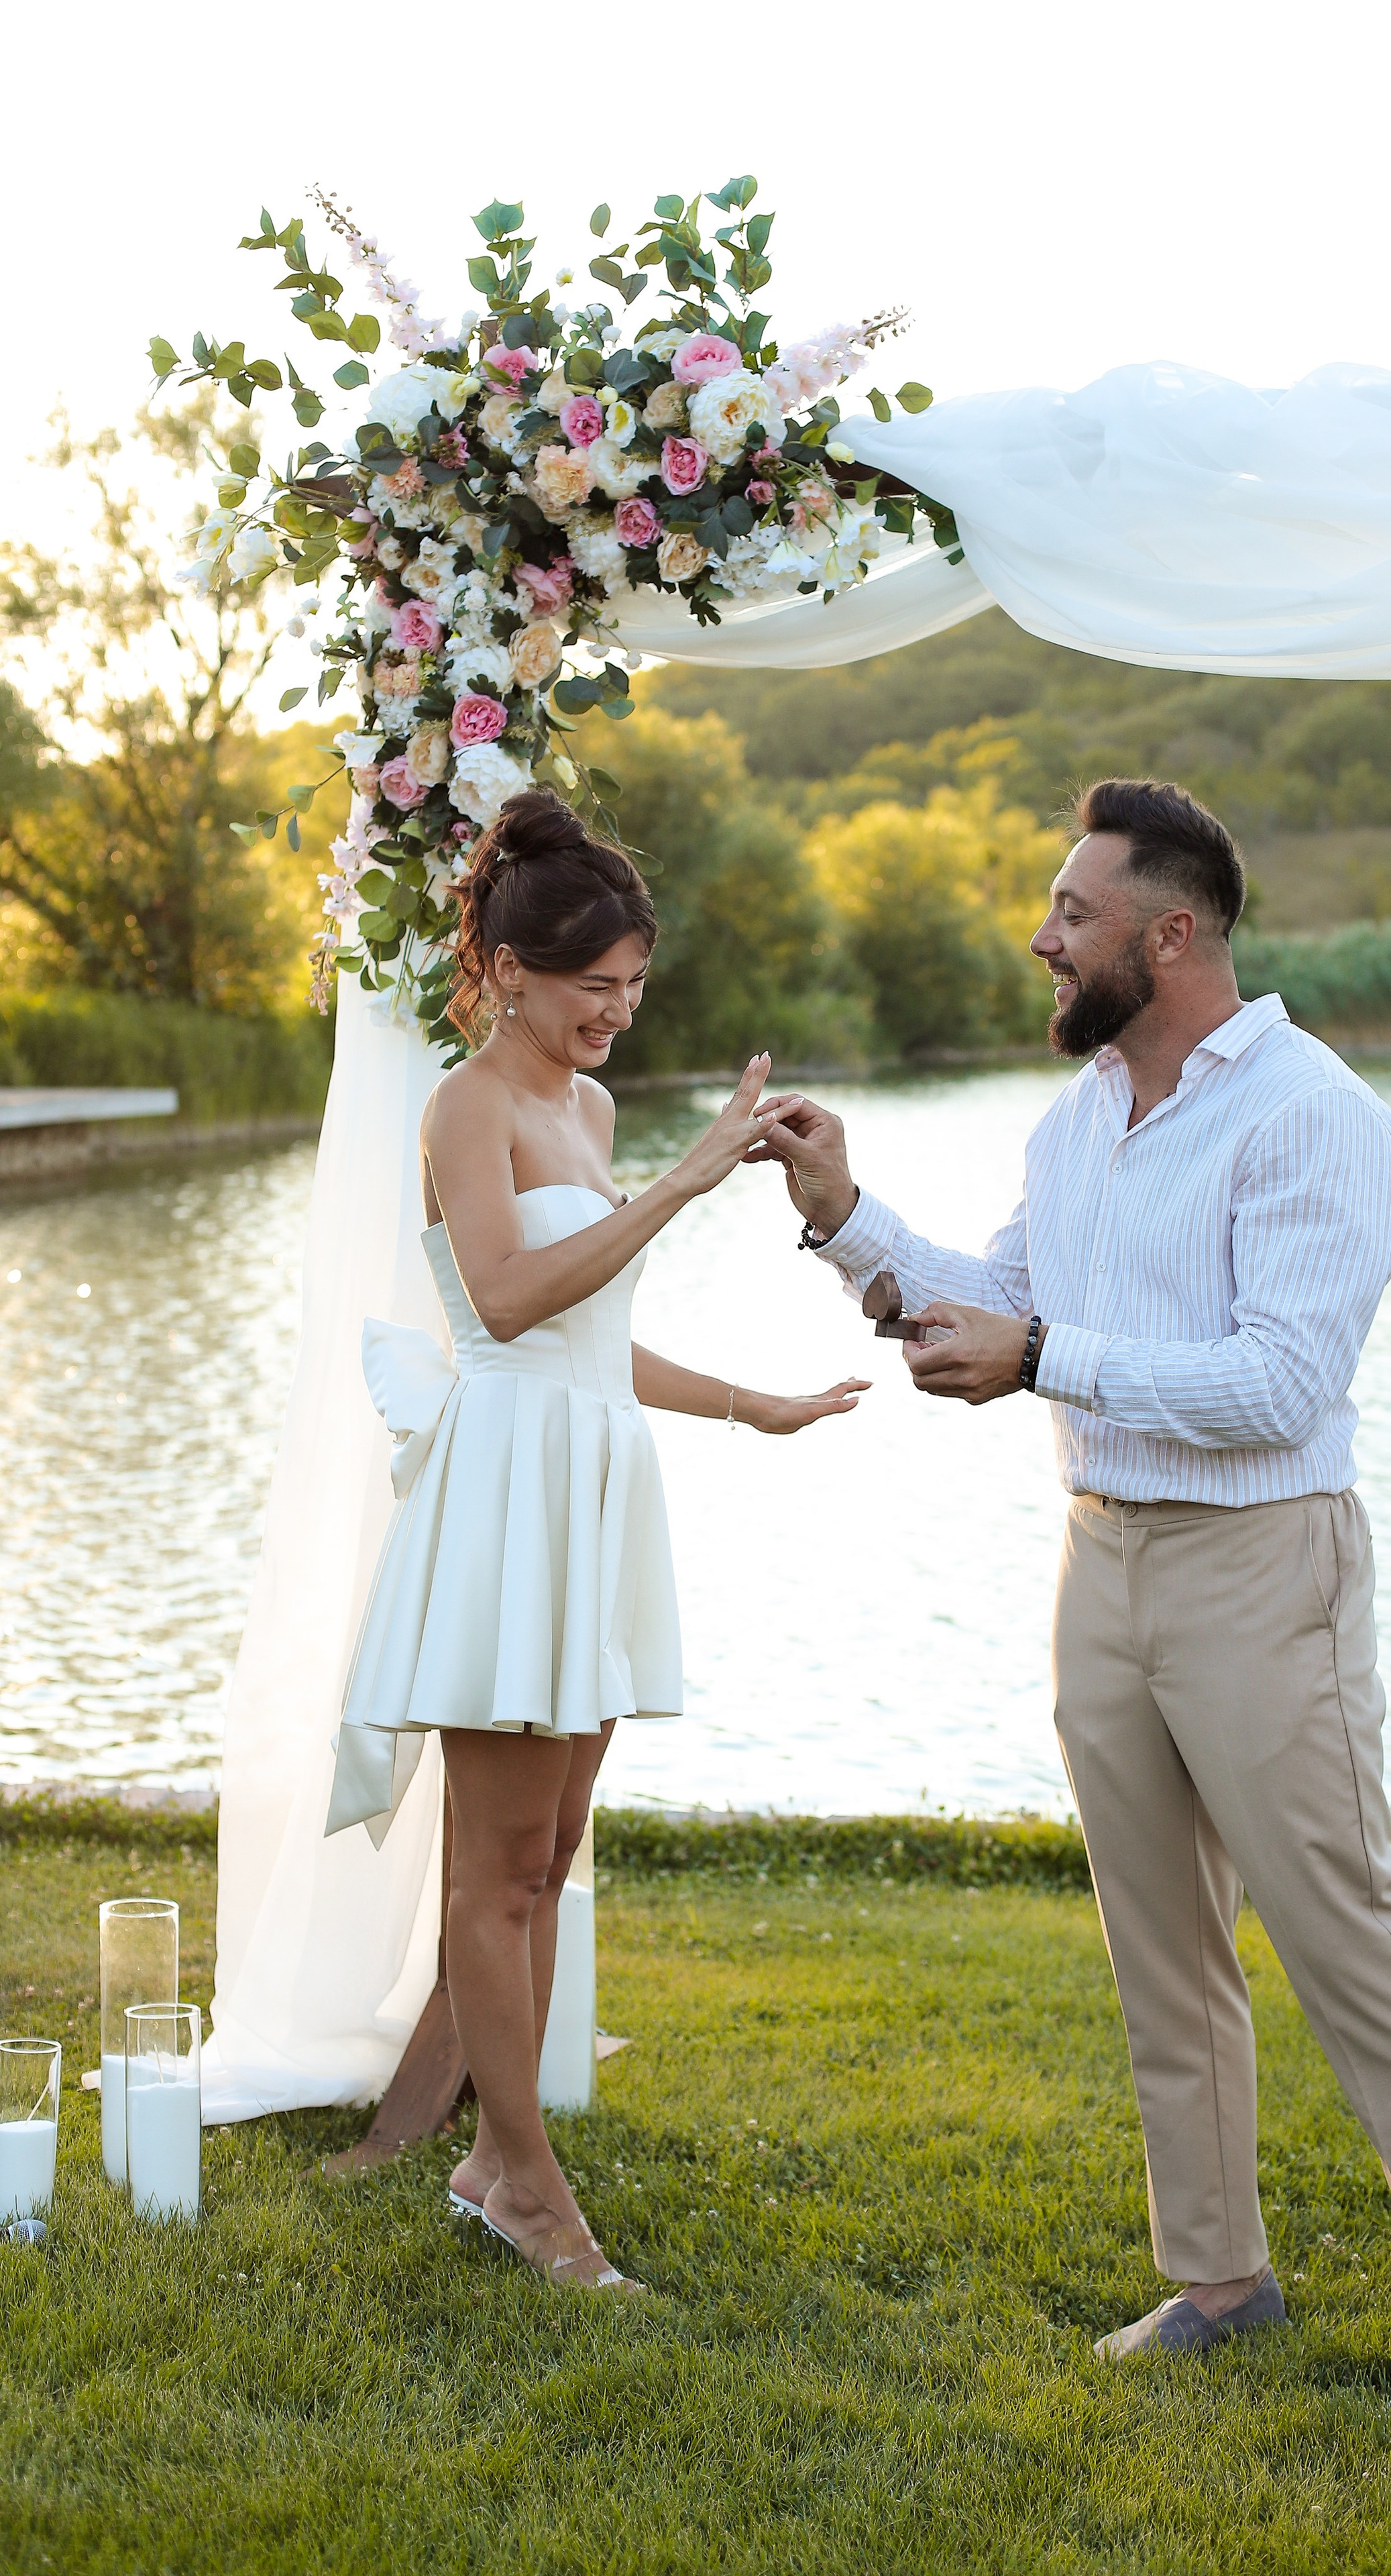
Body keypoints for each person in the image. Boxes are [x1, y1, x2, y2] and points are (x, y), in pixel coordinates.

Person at [753, 776, 1391, 2412]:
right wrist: (842, 1215)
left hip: (1263, 1568)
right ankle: (1216, 2278)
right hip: (1098, 1558)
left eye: (1072, 913)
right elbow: (1000, 1296)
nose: (1042, 939)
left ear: (1168, 934)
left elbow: (1276, 1383)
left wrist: (1047, 1357)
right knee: (1159, 1944)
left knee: (1347, 1935)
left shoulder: (1311, 1115)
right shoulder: (1078, 1120)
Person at [326, 791, 868, 2292]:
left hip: (593, 1479)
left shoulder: (591, 1110)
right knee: (494, 1871)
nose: (617, 1016)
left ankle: (497, 2158)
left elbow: (590, 1334)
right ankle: (528, 2194)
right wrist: (689, 1185)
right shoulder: (468, 1105)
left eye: (634, 988)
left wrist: (745, 1404)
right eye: (593, 988)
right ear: (507, 973)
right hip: (506, 1495)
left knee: (549, 1859)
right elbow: (501, 1305)